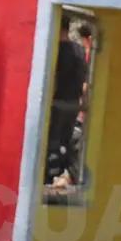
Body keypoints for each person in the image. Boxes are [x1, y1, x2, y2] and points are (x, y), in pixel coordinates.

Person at [44, 15, 88, 186]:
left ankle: (49, 178)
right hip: (73, 105)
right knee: (65, 142)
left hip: (56, 104)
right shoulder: (79, 50)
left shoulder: (57, 50)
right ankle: (62, 174)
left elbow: (54, 80)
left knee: (52, 144)